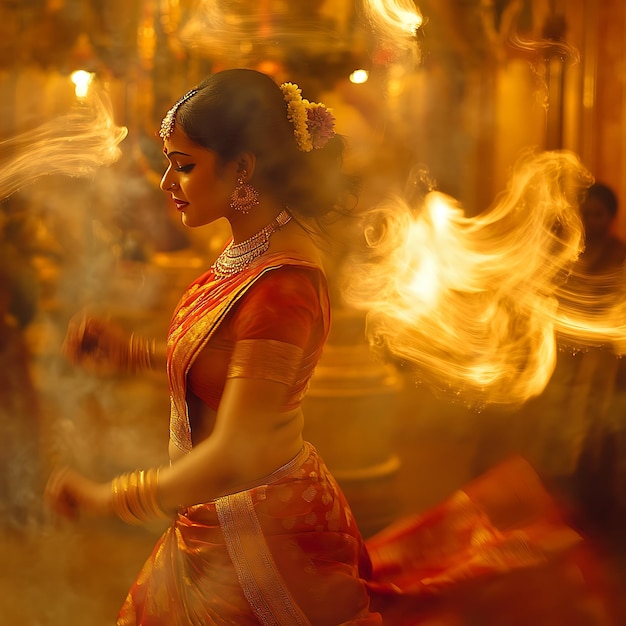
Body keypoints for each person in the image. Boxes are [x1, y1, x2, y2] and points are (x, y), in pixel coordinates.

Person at [45, 69, 618, 625]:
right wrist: (136, 354)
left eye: (184, 166)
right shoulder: (248, 255)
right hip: (217, 520)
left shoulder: (283, 286)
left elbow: (237, 452)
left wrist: (108, 498)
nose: (167, 184)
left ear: (242, 168)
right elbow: (229, 366)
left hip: (259, 536)